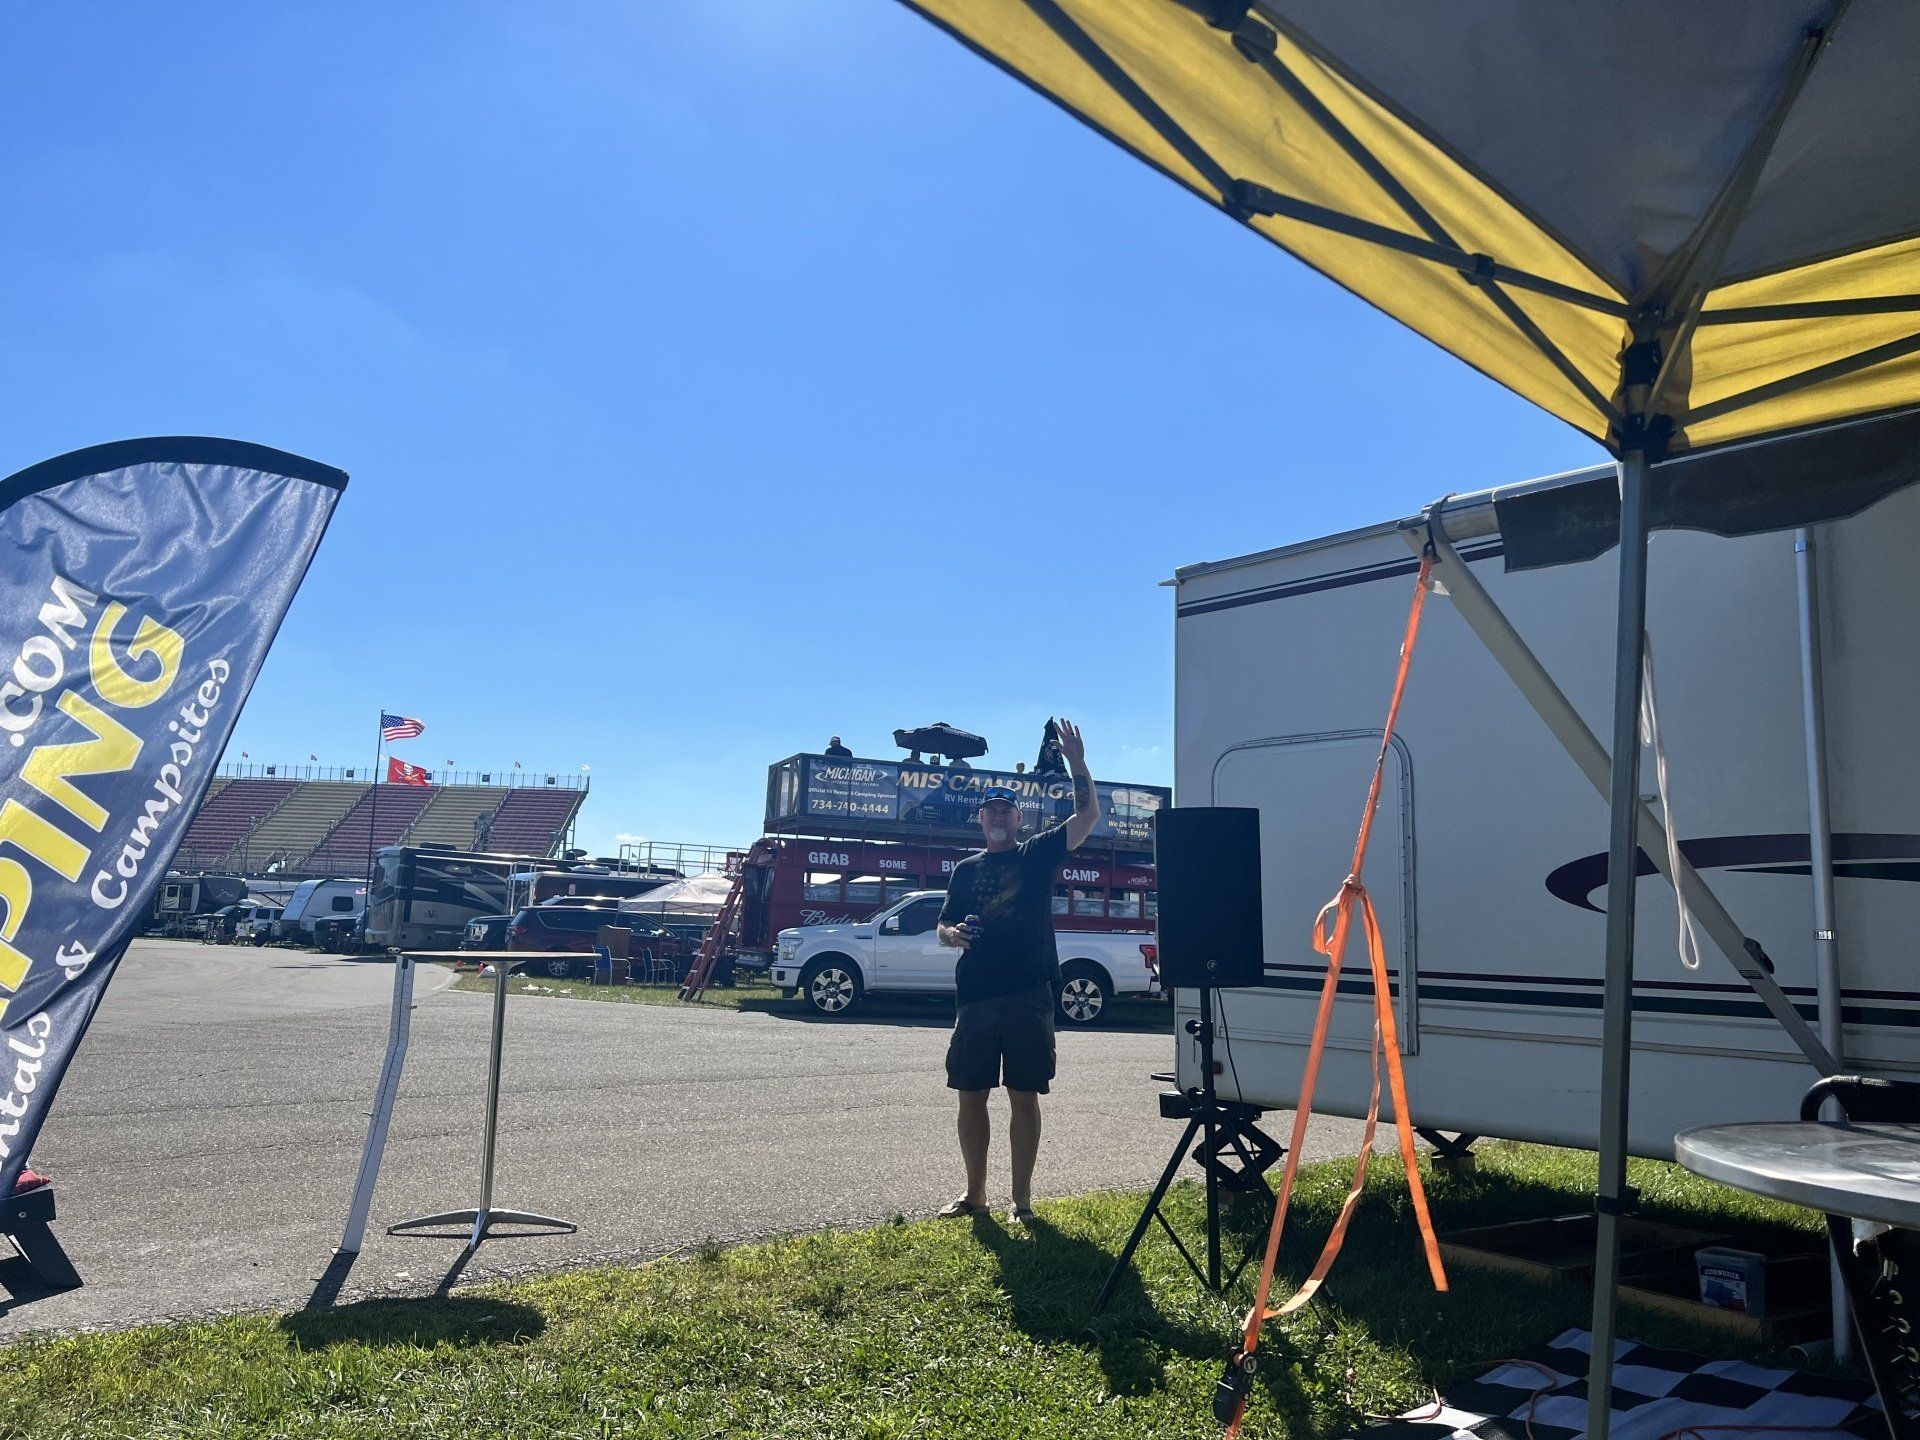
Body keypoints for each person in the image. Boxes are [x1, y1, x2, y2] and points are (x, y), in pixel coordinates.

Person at [935, 717, 1099, 1224]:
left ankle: (1021, 1202)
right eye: (991, 811)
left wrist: (1076, 761)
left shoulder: (1036, 855)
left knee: (1024, 1097)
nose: (999, 816)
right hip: (977, 996)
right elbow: (943, 924)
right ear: (980, 821)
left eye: (1007, 809)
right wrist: (952, 935)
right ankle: (975, 1195)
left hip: (1029, 993)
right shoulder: (966, 870)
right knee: (971, 1095)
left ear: (1019, 819)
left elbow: (1087, 814)